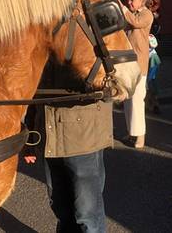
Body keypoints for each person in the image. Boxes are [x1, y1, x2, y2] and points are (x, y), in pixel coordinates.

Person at [23, 58, 113, 233]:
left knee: (87, 215)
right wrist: (30, 135)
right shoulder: (42, 34)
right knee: (61, 207)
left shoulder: (90, 35)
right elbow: (33, 92)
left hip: (82, 136)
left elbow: (121, 81)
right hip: (49, 133)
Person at [121, 0, 154, 148]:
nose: (128, 2)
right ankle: (131, 133)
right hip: (127, 63)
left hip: (139, 64)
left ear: (142, 0)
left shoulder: (146, 14)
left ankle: (140, 136)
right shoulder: (132, 14)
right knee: (128, 100)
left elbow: (135, 23)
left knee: (137, 101)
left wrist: (123, 10)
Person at [145, 34, 161, 114]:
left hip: (152, 60)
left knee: (149, 86)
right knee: (152, 85)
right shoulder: (150, 36)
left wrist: (148, 79)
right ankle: (151, 105)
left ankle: (153, 105)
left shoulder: (147, 37)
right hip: (154, 59)